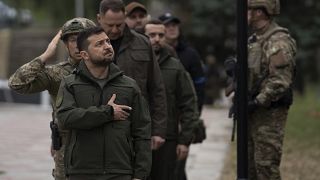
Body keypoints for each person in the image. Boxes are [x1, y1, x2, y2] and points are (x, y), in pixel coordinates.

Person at [56, 27, 151, 180]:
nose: (107, 46)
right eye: (99, 44)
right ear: (84, 55)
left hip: (120, 172)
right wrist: (108, 112)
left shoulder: (129, 86)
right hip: (81, 172)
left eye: (107, 41)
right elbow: (66, 118)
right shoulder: (70, 84)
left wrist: (140, 174)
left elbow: (142, 132)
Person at [8, 17, 96, 180]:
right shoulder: (57, 74)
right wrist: (45, 56)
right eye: (72, 40)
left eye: (82, 39)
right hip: (67, 150)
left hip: (100, 146)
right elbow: (16, 83)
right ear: (65, 44)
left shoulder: (107, 70)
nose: (77, 45)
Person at [97, 0, 167, 151]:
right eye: (110, 25)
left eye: (119, 24)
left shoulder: (142, 43)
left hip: (136, 126)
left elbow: (157, 87)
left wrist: (158, 130)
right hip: (98, 125)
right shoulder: (86, 44)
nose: (115, 30)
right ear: (99, 19)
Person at [247, 0, 297, 179]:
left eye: (249, 9)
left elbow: (280, 81)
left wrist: (257, 101)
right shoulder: (255, 39)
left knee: (266, 168)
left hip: (269, 114)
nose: (246, 13)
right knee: (249, 169)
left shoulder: (278, 41)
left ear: (260, 12)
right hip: (253, 113)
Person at [144, 20, 198, 180]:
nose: (157, 39)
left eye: (161, 35)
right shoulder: (136, 64)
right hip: (139, 136)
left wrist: (185, 140)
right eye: (151, 35)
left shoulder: (175, 66)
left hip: (168, 138)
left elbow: (189, 103)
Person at [159, 13, 205, 113]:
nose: (171, 28)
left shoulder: (191, 54)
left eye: (174, 25)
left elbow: (199, 84)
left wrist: (196, 110)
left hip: (186, 109)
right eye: (167, 26)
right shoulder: (155, 54)